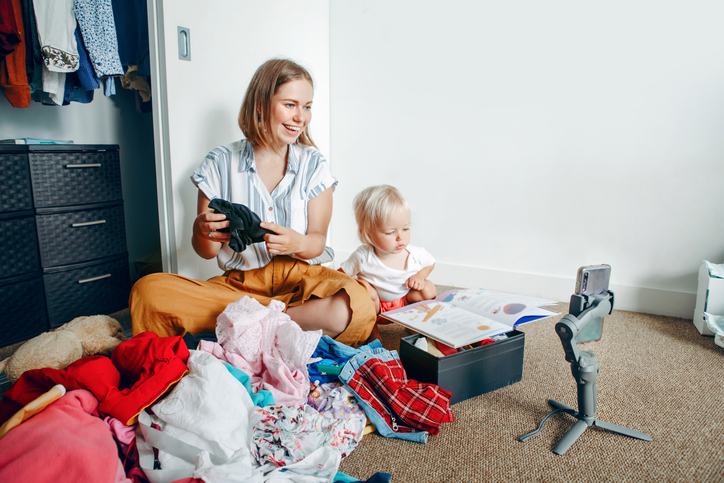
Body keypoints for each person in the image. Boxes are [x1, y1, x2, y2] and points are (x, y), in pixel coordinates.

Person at [129, 58, 376, 346]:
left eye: (307, 106)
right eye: (290, 105)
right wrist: (201, 230)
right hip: (239, 287)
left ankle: (246, 326)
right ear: (260, 104)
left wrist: (298, 243)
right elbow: (207, 252)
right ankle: (277, 325)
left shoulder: (314, 164)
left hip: (301, 283)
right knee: (148, 292)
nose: (301, 117)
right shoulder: (219, 162)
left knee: (357, 302)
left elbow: (317, 241)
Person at [339, 185, 437, 315]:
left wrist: (420, 276)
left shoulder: (415, 254)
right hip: (376, 308)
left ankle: (415, 326)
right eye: (390, 232)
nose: (400, 237)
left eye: (405, 229)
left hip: (406, 305)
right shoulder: (363, 256)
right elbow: (340, 276)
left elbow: (431, 263)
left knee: (428, 288)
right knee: (362, 286)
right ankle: (371, 330)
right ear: (369, 235)